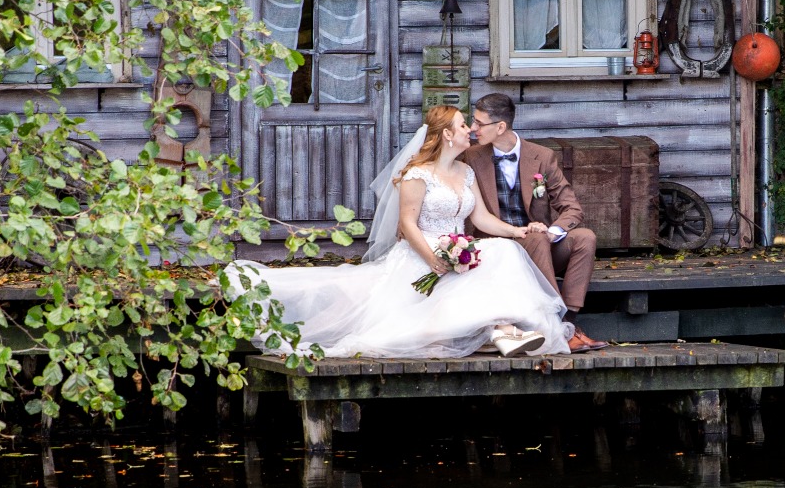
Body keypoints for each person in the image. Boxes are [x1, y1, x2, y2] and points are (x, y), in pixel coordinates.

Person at [229, 106, 570, 358]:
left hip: (460, 248)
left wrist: (518, 231)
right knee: (443, 291)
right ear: (447, 134)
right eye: (464, 125)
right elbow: (407, 224)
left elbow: (481, 219)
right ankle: (503, 332)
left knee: (504, 251)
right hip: (422, 252)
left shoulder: (466, 173)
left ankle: (505, 331)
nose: (471, 130)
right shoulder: (417, 175)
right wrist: (433, 258)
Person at [463, 93, 608, 352]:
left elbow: (572, 208)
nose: (473, 129)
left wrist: (553, 231)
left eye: (478, 123)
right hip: (498, 247)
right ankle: (557, 327)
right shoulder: (471, 157)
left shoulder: (541, 156)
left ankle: (567, 321)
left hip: (540, 244)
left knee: (584, 237)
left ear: (500, 127)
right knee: (536, 237)